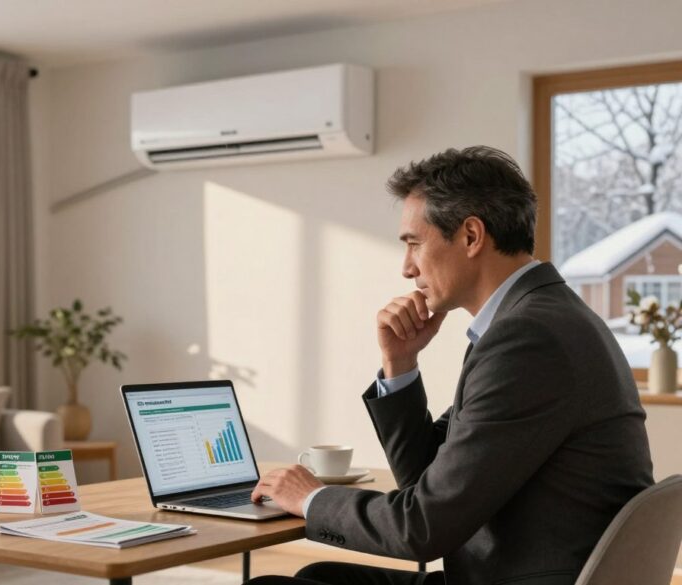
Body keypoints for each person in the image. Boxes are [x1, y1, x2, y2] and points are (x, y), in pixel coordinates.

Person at [247, 146, 653, 585]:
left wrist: (312, 498)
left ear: (471, 236)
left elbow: (422, 528)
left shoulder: (527, 339)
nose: (407, 269)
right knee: (321, 576)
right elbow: (425, 481)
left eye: (414, 244)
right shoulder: (541, 317)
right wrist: (400, 363)